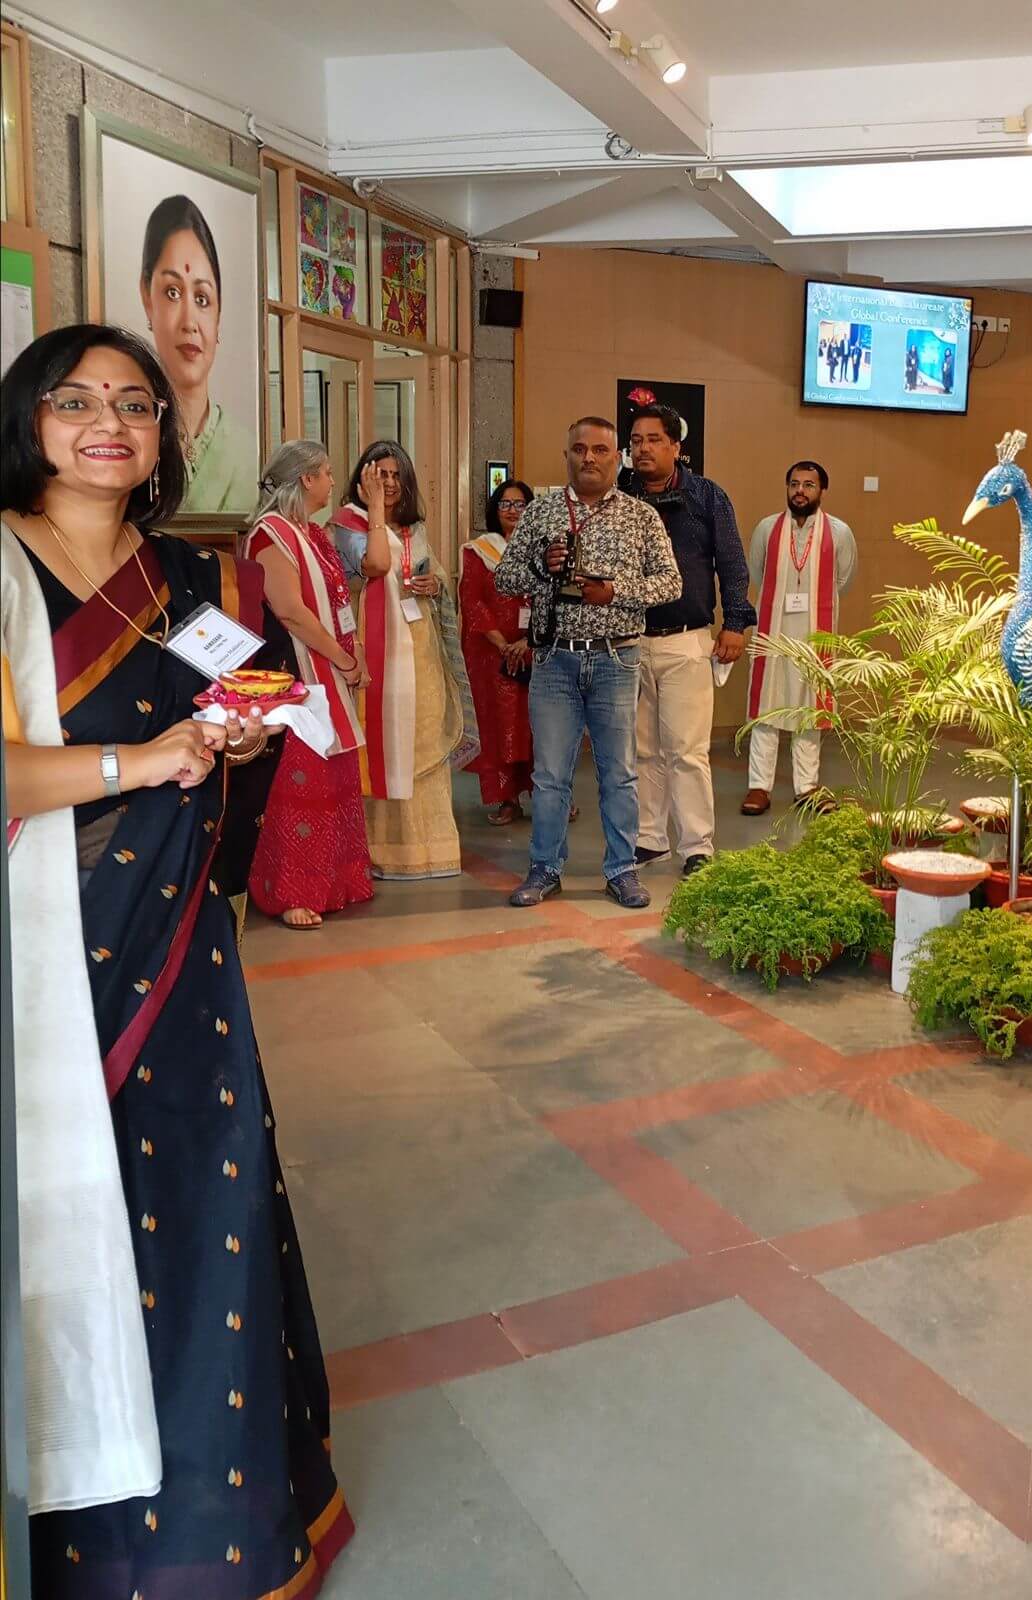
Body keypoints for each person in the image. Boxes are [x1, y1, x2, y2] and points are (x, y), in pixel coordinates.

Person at [1, 323, 352, 1598]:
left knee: (204, 1206)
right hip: (48, 967)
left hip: (182, 958)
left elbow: (243, 691)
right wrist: (139, 763)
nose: (110, 422)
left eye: (136, 404)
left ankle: (215, 1528)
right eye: (76, 399)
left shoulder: (169, 572)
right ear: (28, 418)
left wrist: (246, 731)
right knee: (64, 1220)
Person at [495, 416, 681, 909]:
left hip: (616, 660)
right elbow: (505, 580)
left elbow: (671, 584)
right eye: (580, 449)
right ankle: (544, 869)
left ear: (615, 457)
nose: (589, 458)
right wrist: (542, 565)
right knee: (550, 775)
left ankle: (621, 870)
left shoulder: (641, 517)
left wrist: (616, 592)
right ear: (567, 455)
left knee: (618, 773)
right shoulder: (540, 514)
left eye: (600, 450)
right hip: (554, 660)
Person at [332, 441, 478, 878]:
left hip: (421, 647)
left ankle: (431, 849)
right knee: (385, 739)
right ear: (362, 479)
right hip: (375, 649)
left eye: (396, 476)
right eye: (380, 475)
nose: (389, 483)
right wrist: (375, 511)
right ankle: (380, 850)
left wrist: (435, 585)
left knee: (423, 736)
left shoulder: (416, 528)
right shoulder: (348, 524)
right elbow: (373, 567)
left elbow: (434, 575)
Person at [245, 440, 374, 927]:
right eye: (327, 473)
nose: (332, 482)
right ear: (305, 479)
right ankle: (295, 890)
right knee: (300, 778)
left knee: (335, 774)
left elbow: (339, 600)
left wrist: (353, 652)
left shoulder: (312, 533)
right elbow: (291, 612)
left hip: (328, 667)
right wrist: (342, 658)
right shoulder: (269, 534)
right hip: (295, 672)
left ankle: (338, 879)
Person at [624, 404, 755, 876]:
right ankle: (649, 838)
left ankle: (697, 845)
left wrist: (735, 623)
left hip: (688, 641)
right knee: (642, 749)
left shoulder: (706, 496)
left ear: (676, 447)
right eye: (636, 440)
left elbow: (733, 564)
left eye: (654, 439)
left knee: (686, 749)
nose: (643, 448)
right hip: (630, 641)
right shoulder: (621, 496)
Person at [742, 461, 857, 815]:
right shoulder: (767, 528)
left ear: (822, 490)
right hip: (773, 632)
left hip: (814, 636)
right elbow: (757, 571)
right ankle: (759, 787)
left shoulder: (839, 532)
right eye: (794, 483)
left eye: (809, 484)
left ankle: (806, 788)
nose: (800, 491)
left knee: (810, 709)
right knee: (767, 710)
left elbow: (844, 580)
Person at [138, 193, 257, 514]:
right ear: (147, 297)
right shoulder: (134, 436)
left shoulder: (245, 450)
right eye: (173, 292)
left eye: (203, 298)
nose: (190, 322)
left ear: (218, 315)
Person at [460, 478, 537, 824]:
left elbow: (554, 600)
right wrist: (503, 644)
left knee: (541, 728)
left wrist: (530, 640)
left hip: (538, 651)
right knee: (501, 727)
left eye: (520, 504)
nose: (512, 511)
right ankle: (507, 798)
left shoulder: (545, 549)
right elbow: (472, 601)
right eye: (505, 504)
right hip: (495, 656)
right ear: (495, 509)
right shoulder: (478, 551)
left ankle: (554, 798)